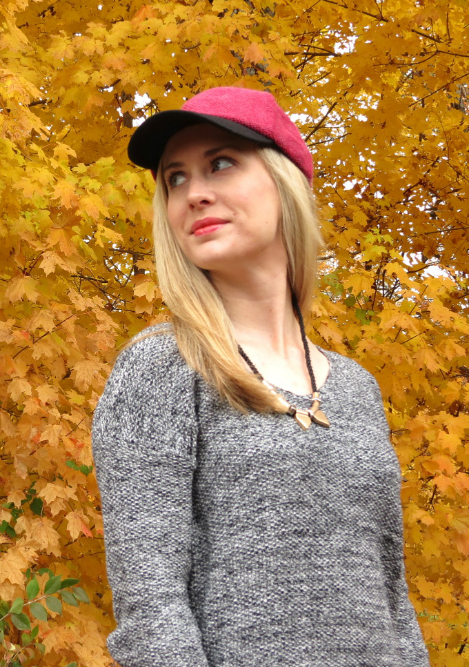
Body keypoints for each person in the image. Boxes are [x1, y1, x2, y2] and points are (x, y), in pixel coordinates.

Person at [90, 87, 430, 667]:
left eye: (221, 163)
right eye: (175, 178)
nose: (194, 193)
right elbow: (152, 610)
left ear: (284, 180)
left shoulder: (356, 387)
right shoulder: (162, 368)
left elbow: (392, 601)